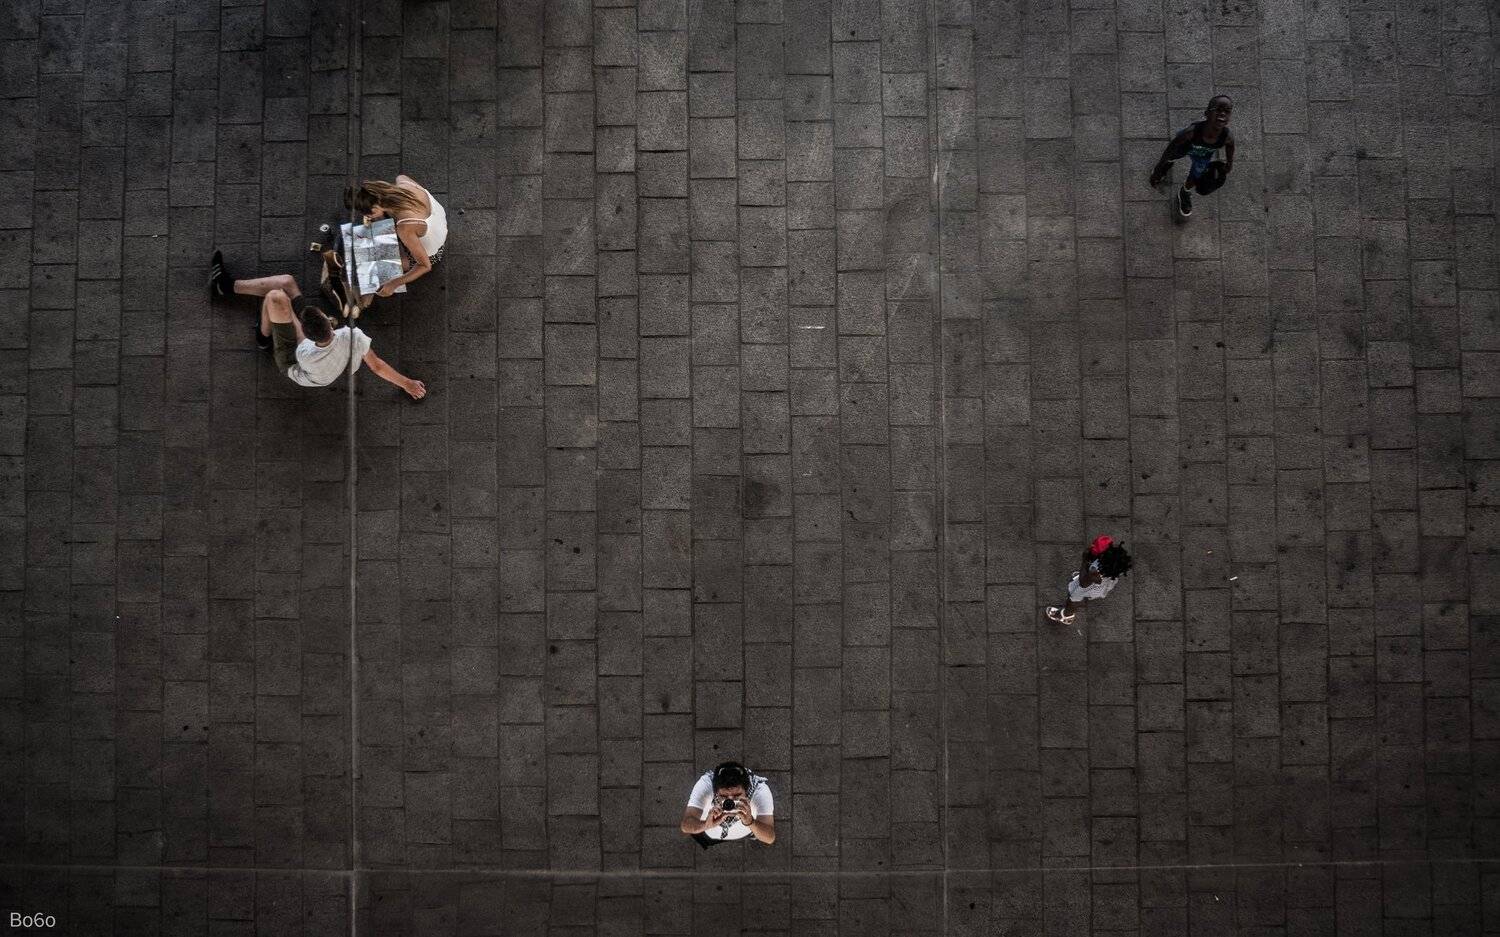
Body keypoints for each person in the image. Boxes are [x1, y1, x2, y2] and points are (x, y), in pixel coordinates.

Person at [209, 251, 426, 400]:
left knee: (276, 296)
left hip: (294, 363)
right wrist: (406, 384)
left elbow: (298, 336)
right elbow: (377, 365)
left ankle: (263, 337)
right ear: (330, 324)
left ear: (304, 330)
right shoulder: (353, 336)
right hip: (317, 352)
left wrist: (287, 309)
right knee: (286, 282)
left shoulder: (304, 352)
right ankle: (225, 286)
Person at [344, 175, 447, 296]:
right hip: (438, 223)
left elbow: (425, 266)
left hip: (433, 253)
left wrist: (393, 284)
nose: (367, 215)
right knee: (380, 227)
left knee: (376, 265)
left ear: (375, 207)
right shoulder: (402, 182)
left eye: (368, 213)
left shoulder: (404, 228)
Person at [1148, 94, 1235, 218]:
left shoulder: (1227, 136)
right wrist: (1158, 168)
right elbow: (1171, 147)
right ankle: (1167, 165)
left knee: (1197, 174)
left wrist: (1230, 163)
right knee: (1174, 154)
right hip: (1186, 146)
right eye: (1218, 109)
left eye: (1227, 111)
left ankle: (1185, 191)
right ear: (1206, 114)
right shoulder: (1191, 132)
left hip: (1204, 154)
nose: (1222, 114)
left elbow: (1231, 146)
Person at [679, 762, 775, 848]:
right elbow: (685, 825)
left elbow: (770, 838)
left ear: (747, 789)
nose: (730, 801)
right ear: (715, 791)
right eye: (723, 796)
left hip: (744, 831)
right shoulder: (706, 784)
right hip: (710, 832)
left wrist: (751, 822)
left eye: (737, 795)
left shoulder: (760, 790)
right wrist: (705, 825)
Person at [1046, 536, 1132, 624]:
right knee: (1085, 581)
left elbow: (1083, 583)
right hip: (1103, 583)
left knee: (1073, 598)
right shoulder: (1115, 564)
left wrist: (1085, 560)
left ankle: (1066, 615)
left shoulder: (1094, 571)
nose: (1091, 547)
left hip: (1088, 584)